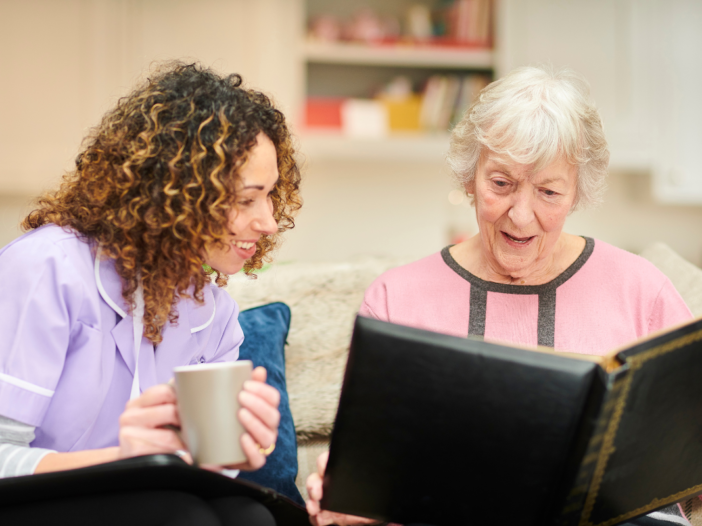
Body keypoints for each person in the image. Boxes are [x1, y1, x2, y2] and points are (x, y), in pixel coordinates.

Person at [306, 65, 693, 526]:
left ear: (577, 194)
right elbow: (368, 472)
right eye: (501, 184)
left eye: (549, 191)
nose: (521, 215)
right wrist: (349, 502)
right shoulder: (396, 299)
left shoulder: (641, 289)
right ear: (471, 177)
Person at [0, 62, 302, 525]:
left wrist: (236, 449)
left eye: (271, 195)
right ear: (176, 192)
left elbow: (201, 467)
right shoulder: (47, 268)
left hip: (144, 499)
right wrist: (123, 457)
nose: (268, 221)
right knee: (180, 515)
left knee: (250, 515)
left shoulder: (214, 312)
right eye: (246, 199)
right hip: (28, 503)